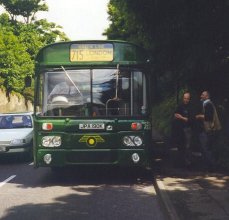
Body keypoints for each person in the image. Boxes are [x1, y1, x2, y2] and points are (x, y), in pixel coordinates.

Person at [195, 90, 221, 170]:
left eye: (203, 95)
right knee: (206, 148)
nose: (201, 96)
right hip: (208, 130)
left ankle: (212, 166)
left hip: (208, 130)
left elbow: (208, 117)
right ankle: (209, 166)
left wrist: (199, 116)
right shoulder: (206, 104)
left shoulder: (208, 104)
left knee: (206, 148)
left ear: (207, 96)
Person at [172, 92, 194, 167]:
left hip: (188, 129)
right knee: (180, 146)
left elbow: (190, 120)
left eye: (187, 98)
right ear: (183, 98)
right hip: (180, 129)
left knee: (188, 146)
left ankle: (188, 163)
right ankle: (180, 162)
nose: (186, 100)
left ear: (189, 99)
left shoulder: (191, 108)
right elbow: (175, 114)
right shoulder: (180, 106)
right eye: (185, 98)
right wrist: (176, 116)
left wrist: (181, 117)